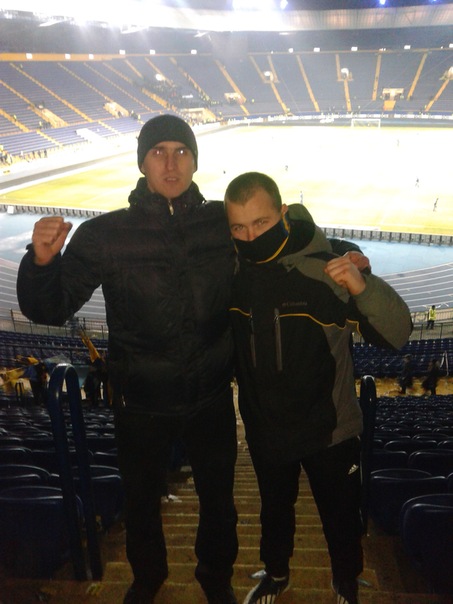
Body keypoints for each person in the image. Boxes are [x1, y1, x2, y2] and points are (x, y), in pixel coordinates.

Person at [16, 114, 239, 604]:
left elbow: (275, 248)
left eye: (180, 152)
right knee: (140, 505)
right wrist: (41, 263)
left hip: (210, 396)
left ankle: (216, 577)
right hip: (140, 402)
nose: (170, 163)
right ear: (142, 163)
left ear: (195, 160)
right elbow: (50, 308)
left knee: (220, 503)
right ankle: (147, 579)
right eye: (158, 152)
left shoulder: (221, 223)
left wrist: (344, 255)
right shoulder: (106, 234)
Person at [223, 172, 412, 604]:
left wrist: (364, 285)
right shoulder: (233, 272)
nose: (250, 237)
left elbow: (397, 332)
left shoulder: (325, 272)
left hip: (330, 430)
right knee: (274, 513)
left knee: (341, 517)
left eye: (261, 223)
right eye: (239, 228)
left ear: (284, 214)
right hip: (268, 430)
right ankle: (276, 574)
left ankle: (346, 580)